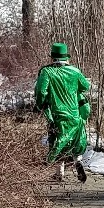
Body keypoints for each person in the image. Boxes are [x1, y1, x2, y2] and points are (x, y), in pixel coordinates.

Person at [34, 42, 90, 182]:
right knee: (75, 141)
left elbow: (41, 91)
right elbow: (86, 86)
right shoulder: (75, 71)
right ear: (66, 57)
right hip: (74, 113)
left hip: (56, 114)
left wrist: (40, 104)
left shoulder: (47, 72)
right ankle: (78, 162)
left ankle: (59, 174)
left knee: (57, 141)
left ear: (52, 57)